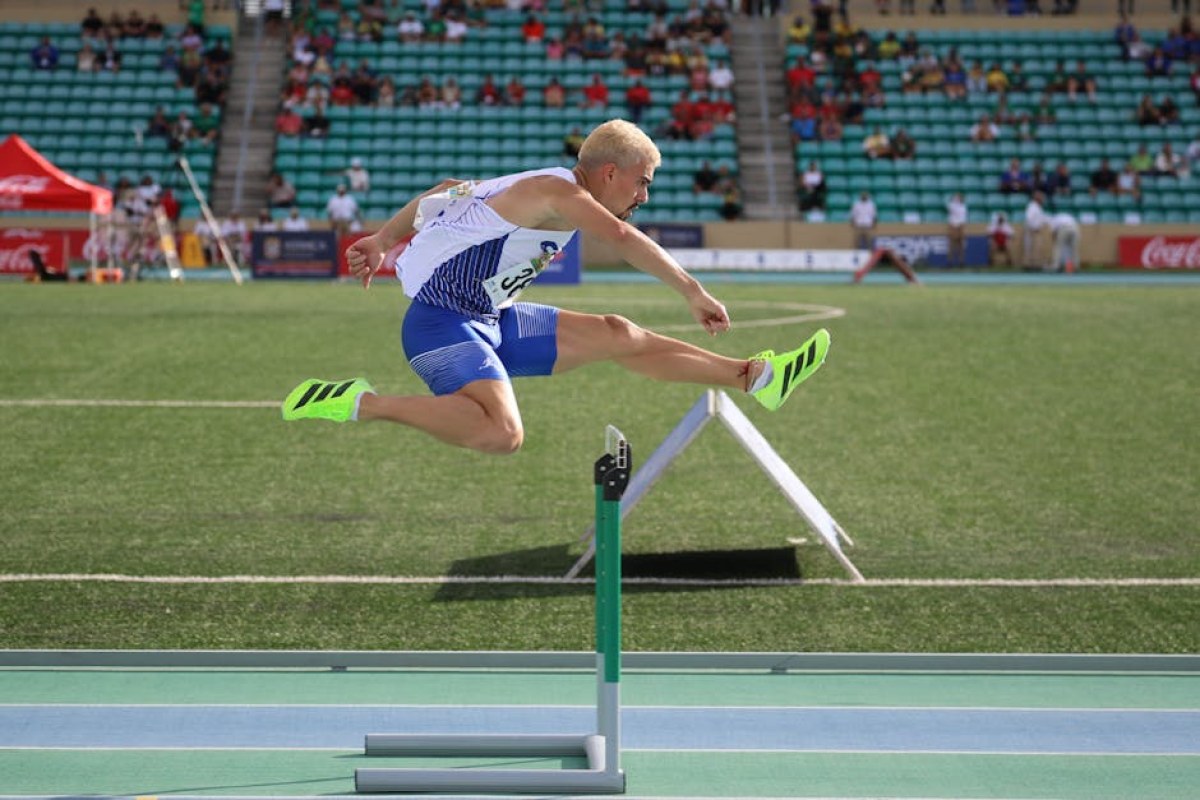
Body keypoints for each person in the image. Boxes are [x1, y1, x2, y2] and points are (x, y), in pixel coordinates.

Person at [282, 120, 831, 454]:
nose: (645, 195)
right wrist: (691, 290)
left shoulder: (539, 184)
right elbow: (618, 234)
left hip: (492, 316)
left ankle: (756, 378)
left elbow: (445, 190)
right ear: (610, 173)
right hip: (439, 322)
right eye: (642, 182)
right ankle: (360, 402)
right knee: (502, 434)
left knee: (617, 332)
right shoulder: (558, 192)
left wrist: (382, 239)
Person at [1022, 191, 1049, 270]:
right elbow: (1029, 218)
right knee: (1030, 247)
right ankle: (1029, 265)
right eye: (1042, 198)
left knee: (1037, 248)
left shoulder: (1038, 207)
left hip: (1036, 230)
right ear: (1037, 199)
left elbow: (1042, 218)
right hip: (1032, 230)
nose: (1043, 200)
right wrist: (1033, 228)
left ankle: (1035, 265)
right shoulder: (1032, 206)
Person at [946, 193, 968, 267]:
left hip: (960, 226)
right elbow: (949, 209)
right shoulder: (952, 205)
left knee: (961, 245)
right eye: (957, 197)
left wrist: (962, 228)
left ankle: (961, 262)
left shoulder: (963, 207)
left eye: (959, 197)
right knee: (951, 245)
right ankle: (950, 261)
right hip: (953, 225)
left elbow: (963, 218)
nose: (958, 199)